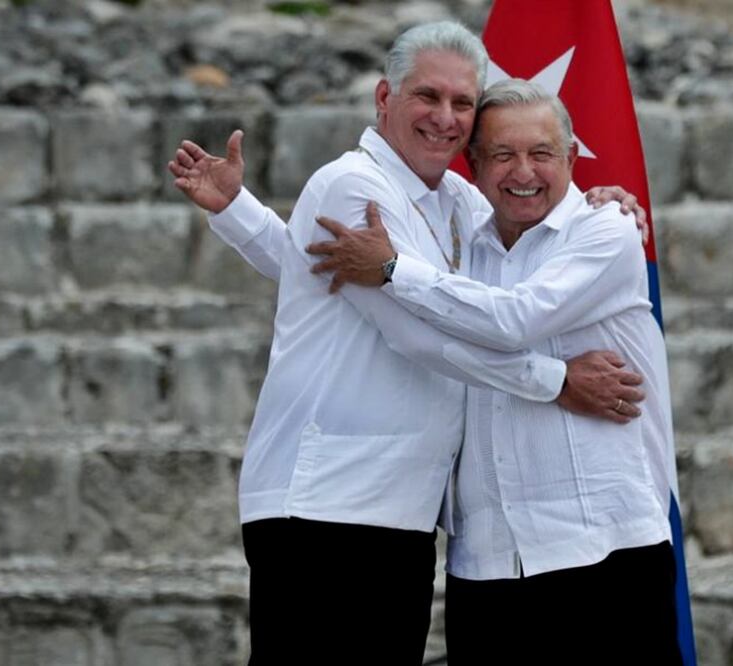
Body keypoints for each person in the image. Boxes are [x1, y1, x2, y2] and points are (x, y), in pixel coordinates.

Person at [166, 22, 647, 665]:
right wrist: (556, 381)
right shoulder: (353, 186)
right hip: (325, 504)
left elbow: (312, 267)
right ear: (384, 97)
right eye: (428, 96)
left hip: (403, 511)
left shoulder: (456, 199)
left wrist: (598, 202)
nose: (445, 117)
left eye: (462, 103)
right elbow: (417, 332)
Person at [310, 78, 683, 664]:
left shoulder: (606, 228)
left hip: (603, 551)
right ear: (475, 165)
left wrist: (393, 269)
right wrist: (235, 212)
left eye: (542, 153)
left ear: (571, 156)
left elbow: (514, 320)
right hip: (486, 566)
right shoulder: (460, 249)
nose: (523, 171)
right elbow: (313, 257)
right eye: (503, 154)